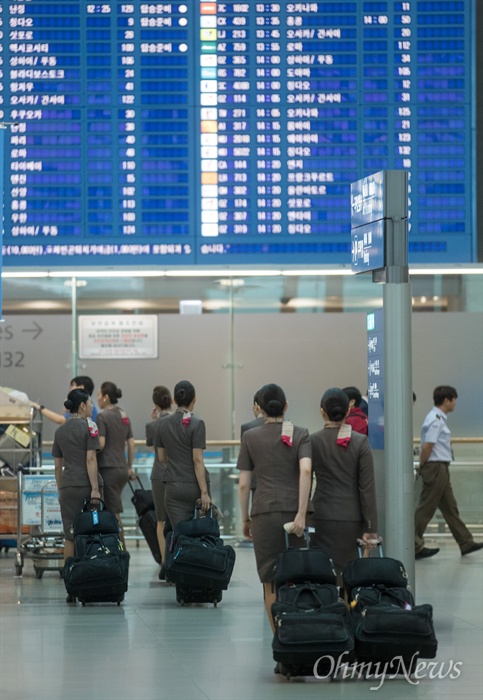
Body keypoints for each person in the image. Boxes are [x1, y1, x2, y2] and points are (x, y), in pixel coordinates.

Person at [237, 383, 312, 632]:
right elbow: (305, 470)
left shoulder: (250, 437)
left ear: (259, 408)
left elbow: (244, 485)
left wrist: (245, 519)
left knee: (270, 579)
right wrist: (301, 513)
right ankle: (299, 630)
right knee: (297, 574)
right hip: (294, 513)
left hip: (263, 512)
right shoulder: (301, 433)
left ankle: (278, 635)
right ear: (286, 406)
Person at [310, 388, 378, 576]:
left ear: (322, 411)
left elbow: (305, 481)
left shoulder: (312, 441)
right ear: (348, 411)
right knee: (350, 575)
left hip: (321, 515)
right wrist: (370, 527)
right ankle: (348, 604)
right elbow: (367, 488)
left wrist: (304, 515)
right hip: (352, 518)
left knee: (323, 573)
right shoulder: (360, 442)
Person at [415, 386, 483, 559]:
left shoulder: (437, 418)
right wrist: (422, 466)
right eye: (454, 400)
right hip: (435, 467)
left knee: (450, 507)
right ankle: (413, 544)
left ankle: (465, 542)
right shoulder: (436, 419)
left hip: (440, 467)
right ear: (447, 400)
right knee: (426, 508)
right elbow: (428, 446)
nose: (455, 404)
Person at [52, 389, 102, 580]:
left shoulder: (60, 431)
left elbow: (58, 466)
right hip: (86, 486)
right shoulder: (91, 428)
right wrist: (95, 489)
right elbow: (91, 460)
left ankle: (70, 579)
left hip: (67, 487)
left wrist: (59, 489)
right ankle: (89, 576)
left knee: (70, 534)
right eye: (90, 402)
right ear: (82, 406)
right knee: (91, 531)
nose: (92, 406)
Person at [155, 380, 211, 529]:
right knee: (199, 534)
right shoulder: (197, 424)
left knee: (179, 535)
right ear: (194, 399)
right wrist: (204, 492)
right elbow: (197, 460)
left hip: (173, 488)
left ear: (174, 400)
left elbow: (161, 458)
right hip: (195, 488)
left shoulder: (162, 424)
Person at [96, 381, 135, 547]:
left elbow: (101, 443)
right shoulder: (123, 416)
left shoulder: (102, 416)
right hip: (121, 469)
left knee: (113, 513)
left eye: (99, 395)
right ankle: (115, 547)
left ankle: (121, 550)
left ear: (106, 397)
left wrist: (88, 452)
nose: (97, 399)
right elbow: (131, 444)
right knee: (112, 509)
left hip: (108, 469)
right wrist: (129, 466)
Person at [146, 385, 173, 579]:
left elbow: (150, 444)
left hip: (158, 474)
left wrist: (154, 420)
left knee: (161, 520)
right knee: (177, 518)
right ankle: (178, 558)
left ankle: (165, 562)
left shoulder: (153, 426)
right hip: (177, 474)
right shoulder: (178, 421)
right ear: (171, 400)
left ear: (155, 404)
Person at [33, 376, 98, 425]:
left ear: (81, 387)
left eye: (72, 385)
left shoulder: (82, 405)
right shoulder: (87, 404)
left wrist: (39, 407)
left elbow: (60, 420)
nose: (70, 389)